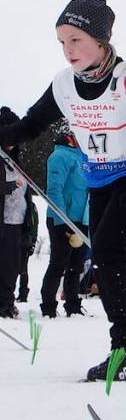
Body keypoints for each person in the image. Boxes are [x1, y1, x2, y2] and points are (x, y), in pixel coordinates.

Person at [0, 0, 126, 380]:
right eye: (62, 42)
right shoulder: (64, 84)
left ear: (102, 40)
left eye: (76, 40)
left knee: (110, 253)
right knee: (105, 256)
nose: (68, 50)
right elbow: (31, 125)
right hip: (99, 178)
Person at [39, 124, 89, 318]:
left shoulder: (83, 157)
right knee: (59, 262)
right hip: (62, 219)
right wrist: (62, 221)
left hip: (81, 219)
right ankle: (48, 305)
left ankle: (73, 304)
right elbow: (54, 190)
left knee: (76, 265)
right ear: (71, 136)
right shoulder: (59, 156)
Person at [0, 109, 27, 319]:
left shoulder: (13, 158)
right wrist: (8, 186)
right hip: (4, 220)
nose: (13, 143)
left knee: (13, 266)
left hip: (16, 220)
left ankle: (7, 301)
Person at [16, 191, 38, 304]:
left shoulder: (29, 206)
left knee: (20, 269)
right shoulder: (31, 206)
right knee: (23, 269)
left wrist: (33, 241)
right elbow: (35, 225)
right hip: (25, 240)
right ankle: (22, 294)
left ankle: (22, 294)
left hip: (22, 240)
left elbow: (34, 224)